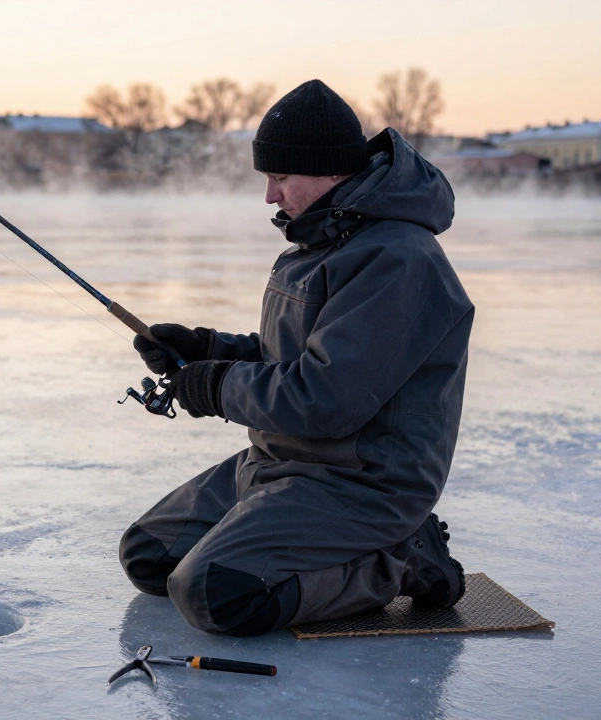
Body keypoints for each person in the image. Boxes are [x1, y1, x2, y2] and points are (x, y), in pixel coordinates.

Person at [118, 80, 474, 636]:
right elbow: (289, 358)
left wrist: (214, 387)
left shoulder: (397, 261)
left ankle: (401, 558)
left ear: (329, 170)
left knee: (214, 595)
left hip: (360, 483)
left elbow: (325, 398)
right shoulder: (323, 244)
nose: (269, 196)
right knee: (149, 557)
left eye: (280, 177)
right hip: (277, 463)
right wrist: (207, 350)